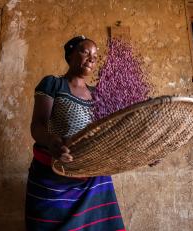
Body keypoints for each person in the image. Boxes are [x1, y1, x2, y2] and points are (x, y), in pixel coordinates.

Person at [26, 35, 126, 231]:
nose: (91, 59)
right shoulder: (53, 84)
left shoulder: (98, 94)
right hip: (52, 174)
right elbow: (38, 125)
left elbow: (108, 134)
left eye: (95, 56)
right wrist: (51, 141)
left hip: (91, 177)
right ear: (70, 54)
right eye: (85, 52)